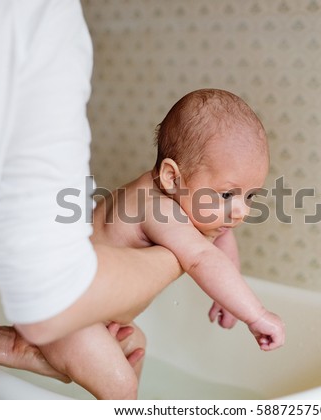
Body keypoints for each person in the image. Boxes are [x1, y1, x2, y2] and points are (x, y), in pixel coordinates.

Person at [0, 0, 181, 399]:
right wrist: (183, 256)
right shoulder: (33, 11)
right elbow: (52, 301)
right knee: (121, 385)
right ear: (171, 174)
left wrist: (4, 343)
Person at [37, 89, 285, 399]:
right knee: (121, 386)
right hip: (68, 313)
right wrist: (256, 315)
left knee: (136, 349)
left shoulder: (189, 201)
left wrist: (228, 295)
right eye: (227, 195)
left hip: (94, 317)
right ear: (171, 177)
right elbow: (203, 258)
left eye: (250, 196)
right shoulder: (155, 206)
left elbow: (222, 239)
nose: (241, 211)